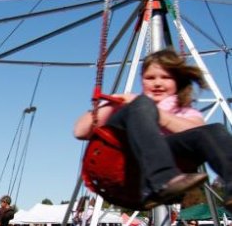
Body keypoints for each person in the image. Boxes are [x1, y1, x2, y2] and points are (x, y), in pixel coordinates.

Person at [74, 49, 232, 209]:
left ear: (177, 81)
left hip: (167, 158)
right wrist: (115, 102)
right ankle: (163, 178)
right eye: (150, 78)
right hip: (124, 154)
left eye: (166, 77)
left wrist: (160, 115)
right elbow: (80, 131)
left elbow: (201, 133)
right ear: (142, 81)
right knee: (142, 105)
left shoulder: (185, 112)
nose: (157, 83)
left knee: (216, 130)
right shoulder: (132, 104)